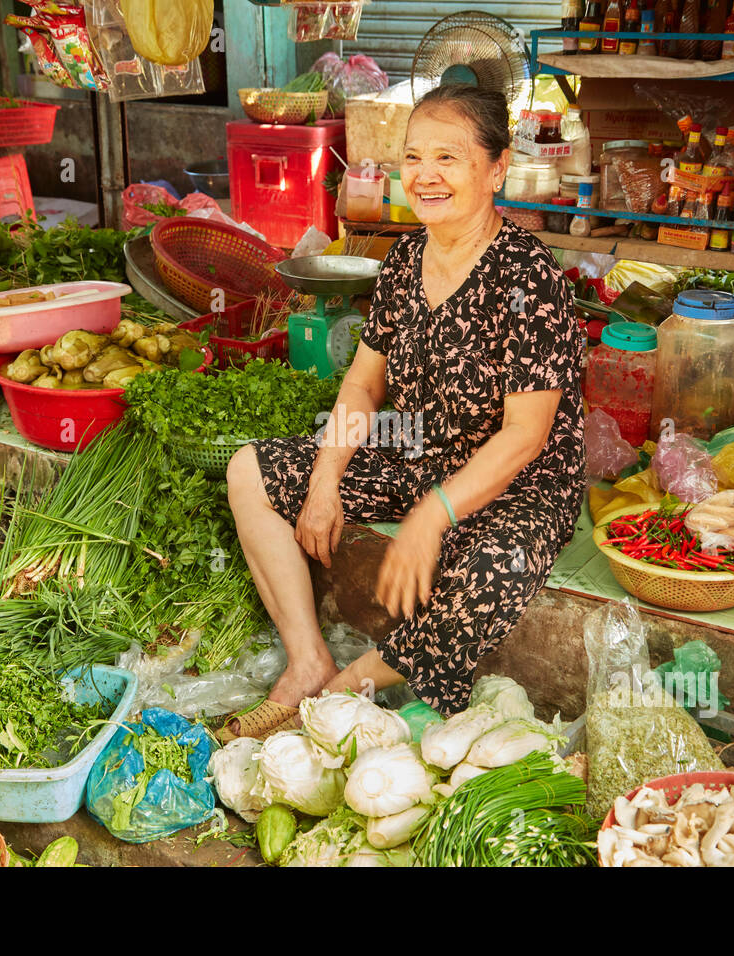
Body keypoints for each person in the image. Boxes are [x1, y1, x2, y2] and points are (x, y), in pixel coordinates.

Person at [223, 84, 586, 739]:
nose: (424, 175)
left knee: (495, 568)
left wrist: (431, 516)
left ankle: (342, 690)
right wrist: (328, 477)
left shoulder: (528, 278)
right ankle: (306, 661)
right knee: (252, 469)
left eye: (448, 158)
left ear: (496, 169)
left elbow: (525, 436)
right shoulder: (404, 261)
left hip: (519, 483)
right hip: (418, 453)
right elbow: (364, 388)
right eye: (413, 157)